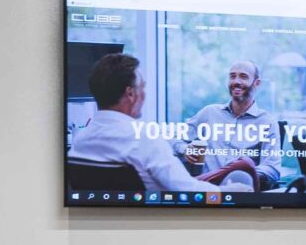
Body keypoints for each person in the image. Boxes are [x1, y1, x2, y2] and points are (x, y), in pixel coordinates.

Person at [68, 52, 252, 195]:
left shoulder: (80, 140)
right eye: (143, 87)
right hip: (161, 228)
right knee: (242, 177)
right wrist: (229, 193)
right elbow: (187, 191)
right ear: (131, 94)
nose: (145, 94)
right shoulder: (143, 139)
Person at [180, 58, 288, 192]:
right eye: (232, 76)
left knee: (245, 164)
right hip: (207, 193)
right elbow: (173, 137)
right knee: (244, 164)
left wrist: (247, 174)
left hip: (240, 192)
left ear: (256, 83)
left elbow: (272, 168)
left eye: (243, 77)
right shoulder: (209, 113)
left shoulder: (267, 122)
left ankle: (192, 185)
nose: (236, 81)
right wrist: (183, 148)